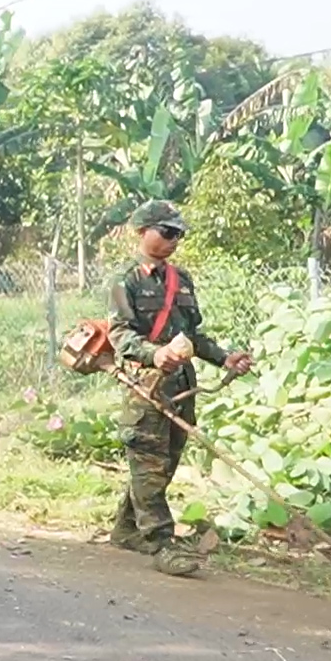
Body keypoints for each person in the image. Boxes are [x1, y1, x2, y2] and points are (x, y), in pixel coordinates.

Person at [106, 199, 253, 577]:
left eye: (179, 235)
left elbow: (194, 335)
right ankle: (161, 543)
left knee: (165, 463)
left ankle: (127, 529)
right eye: (167, 232)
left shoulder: (181, 280)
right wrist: (154, 354)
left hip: (182, 387)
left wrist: (225, 359)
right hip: (147, 386)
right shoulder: (126, 280)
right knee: (149, 463)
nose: (174, 240)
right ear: (143, 231)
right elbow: (120, 334)